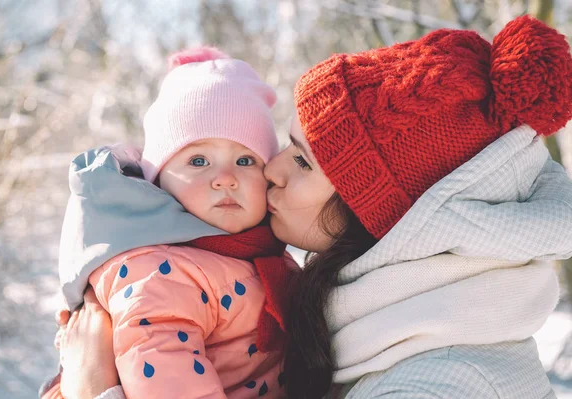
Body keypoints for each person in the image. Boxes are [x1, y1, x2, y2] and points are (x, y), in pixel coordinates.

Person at [55, 15, 572, 399]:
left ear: (380, 214)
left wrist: (94, 388)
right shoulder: (377, 331)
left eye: (302, 163)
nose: (268, 170)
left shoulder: (432, 386)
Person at [45, 47, 297, 399]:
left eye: (244, 159)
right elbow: (165, 376)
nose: (225, 178)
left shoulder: (254, 252)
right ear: (159, 179)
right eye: (198, 160)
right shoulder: (160, 270)